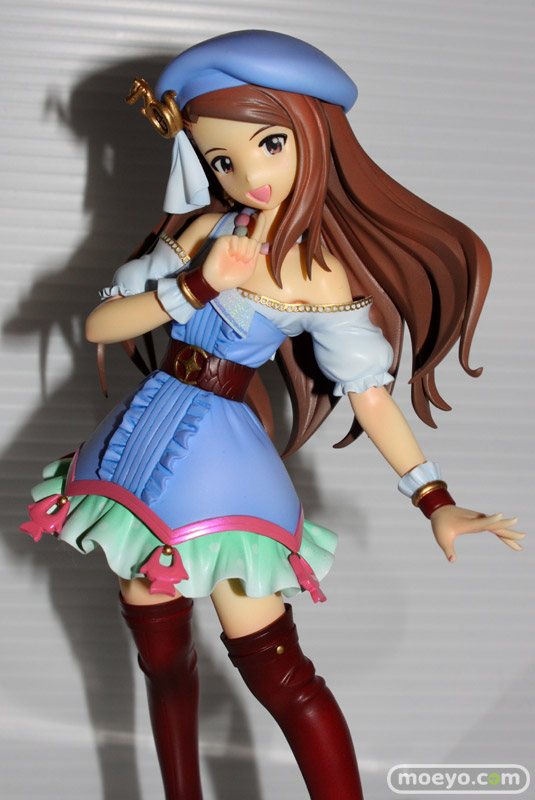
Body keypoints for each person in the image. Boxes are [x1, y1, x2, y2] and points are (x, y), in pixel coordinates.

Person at [21, 30, 523, 800]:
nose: (250, 175)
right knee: (159, 655)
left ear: (313, 139)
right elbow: (101, 320)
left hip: (221, 477)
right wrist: (194, 286)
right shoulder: (202, 234)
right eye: (223, 160)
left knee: (279, 674)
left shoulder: (318, 278)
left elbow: (370, 395)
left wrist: (434, 499)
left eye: (270, 145)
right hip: (130, 460)